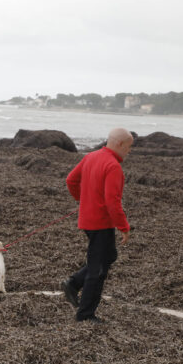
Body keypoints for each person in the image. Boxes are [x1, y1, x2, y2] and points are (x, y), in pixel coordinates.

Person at [61, 128, 133, 323]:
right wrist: (124, 227)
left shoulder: (91, 156)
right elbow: (112, 202)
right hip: (100, 223)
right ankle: (85, 314)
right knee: (97, 270)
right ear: (119, 144)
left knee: (109, 256)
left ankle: (73, 283)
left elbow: (71, 180)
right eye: (128, 147)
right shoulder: (113, 166)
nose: (129, 151)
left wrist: (83, 201)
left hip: (88, 220)